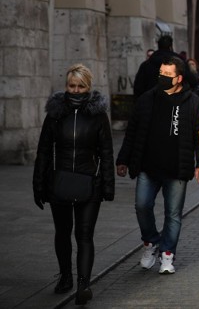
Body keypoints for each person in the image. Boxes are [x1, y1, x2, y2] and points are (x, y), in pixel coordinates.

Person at [116, 56, 199, 275]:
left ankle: (168, 254)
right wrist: (123, 159)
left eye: (168, 75)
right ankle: (151, 242)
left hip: (177, 168)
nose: (163, 78)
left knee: (173, 214)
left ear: (179, 78)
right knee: (142, 206)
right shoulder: (147, 99)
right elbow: (132, 132)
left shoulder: (193, 103)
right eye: (161, 74)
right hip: (148, 166)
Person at [33, 64, 114, 305]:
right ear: (66, 86)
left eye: (81, 86)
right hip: (59, 183)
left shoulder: (98, 116)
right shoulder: (55, 114)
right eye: (72, 86)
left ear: (88, 87)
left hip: (89, 184)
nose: (76, 90)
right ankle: (66, 276)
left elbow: (106, 152)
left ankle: (83, 284)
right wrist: (39, 184)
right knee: (62, 233)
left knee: (84, 234)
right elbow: (44, 152)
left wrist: (107, 185)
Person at [133, 35, 198, 98]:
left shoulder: (146, 64)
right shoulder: (179, 63)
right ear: (171, 47)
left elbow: (138, 88)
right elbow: (192, 81)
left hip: (152, 103)